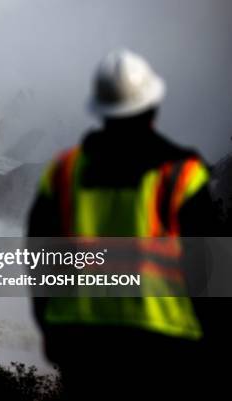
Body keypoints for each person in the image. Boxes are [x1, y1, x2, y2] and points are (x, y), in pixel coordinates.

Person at [27, 49, 222, 400]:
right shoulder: (184, 174)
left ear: (99, 110)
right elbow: (211, 271)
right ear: (153, 106)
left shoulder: (65, 172)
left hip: (86, 349)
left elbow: (41, 261)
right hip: (165, 343)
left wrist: (51, 331)